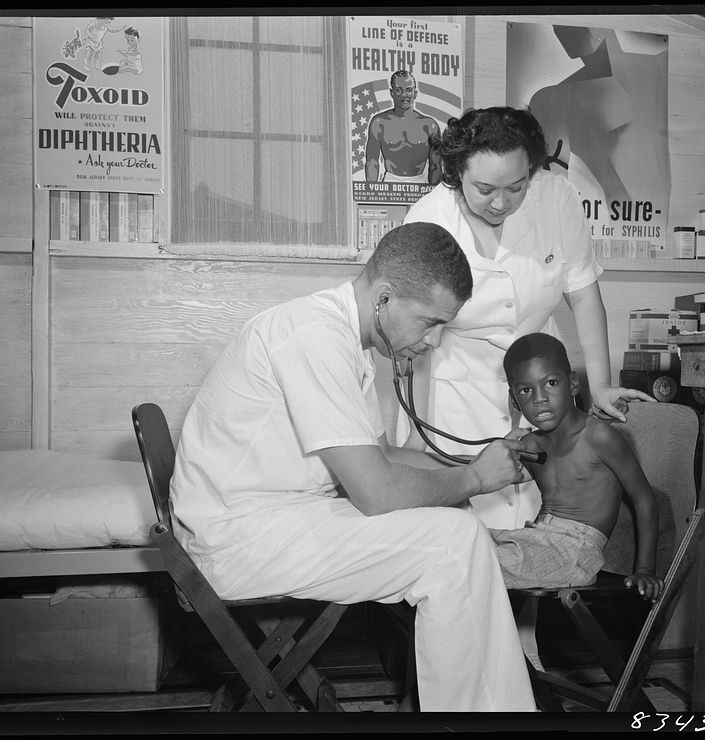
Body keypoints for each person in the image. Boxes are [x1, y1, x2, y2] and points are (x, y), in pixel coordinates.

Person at [169, 221, 536, 712]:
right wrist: (473, 479)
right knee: (454, 543)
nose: (435, 341)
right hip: (237, 540)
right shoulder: (315, 337)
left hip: (268, 519)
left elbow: (380, 455)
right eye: (430, 322)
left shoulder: (340, 335)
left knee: (459, 526)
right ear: (384, 297)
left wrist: (479, 462)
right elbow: (377, 491)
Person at [398, 106, 654, 530]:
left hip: (539, 382)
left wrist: (602, 383)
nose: (500, 202)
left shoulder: (556, 197)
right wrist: (414, 428)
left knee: (540, 518)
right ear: (457, 171)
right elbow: (416, 334)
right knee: (460, 528)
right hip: (456, 389)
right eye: (484, 189)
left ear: (532, 172)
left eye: (516, 187)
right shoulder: (429, 218)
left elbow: (584, 294)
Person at [489, 333, 663, 600]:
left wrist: (645, 569)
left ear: (572, 385)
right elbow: (491, 472)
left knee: (476, 565)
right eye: (526, 391)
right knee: (467, 541)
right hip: (537, 537)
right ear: (514, 400)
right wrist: (507, 446)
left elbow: (644, 499)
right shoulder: (532, 444)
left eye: (550, 383)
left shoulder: (598, 437)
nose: (540, 398)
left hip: (577, 552)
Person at [365, 70, 441, 184]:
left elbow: (435, 165)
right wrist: (371, 191)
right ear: (392, 92)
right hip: (391, 182)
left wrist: (433, 194)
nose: (404, 95)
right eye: (399, 90)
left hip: (420, 184)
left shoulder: (430, 125)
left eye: (408, 90)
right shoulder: (379, 122)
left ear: (415, 93)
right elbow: (372, 161)